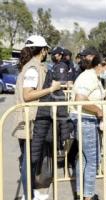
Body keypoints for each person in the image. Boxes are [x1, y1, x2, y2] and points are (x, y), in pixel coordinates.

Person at [13, 35, 61, 200]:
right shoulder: (32, 69)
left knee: (31, 161)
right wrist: (51, 89)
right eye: (47, 49)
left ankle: (30, 192)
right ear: (43, 50)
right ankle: (28, 195)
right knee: (28, 162)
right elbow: (28, 95)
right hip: (30, 121)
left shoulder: (34, 66)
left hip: (33, 120)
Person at [70, 51, 106, 200]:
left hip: (84, 119)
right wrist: (99, 110)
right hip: (86, 120)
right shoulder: (89, 77)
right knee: (92, 160)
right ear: (100, 65)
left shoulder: (92, 76)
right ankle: (88, 195)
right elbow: (80, 99)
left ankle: (82, 193)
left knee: (84, 158)